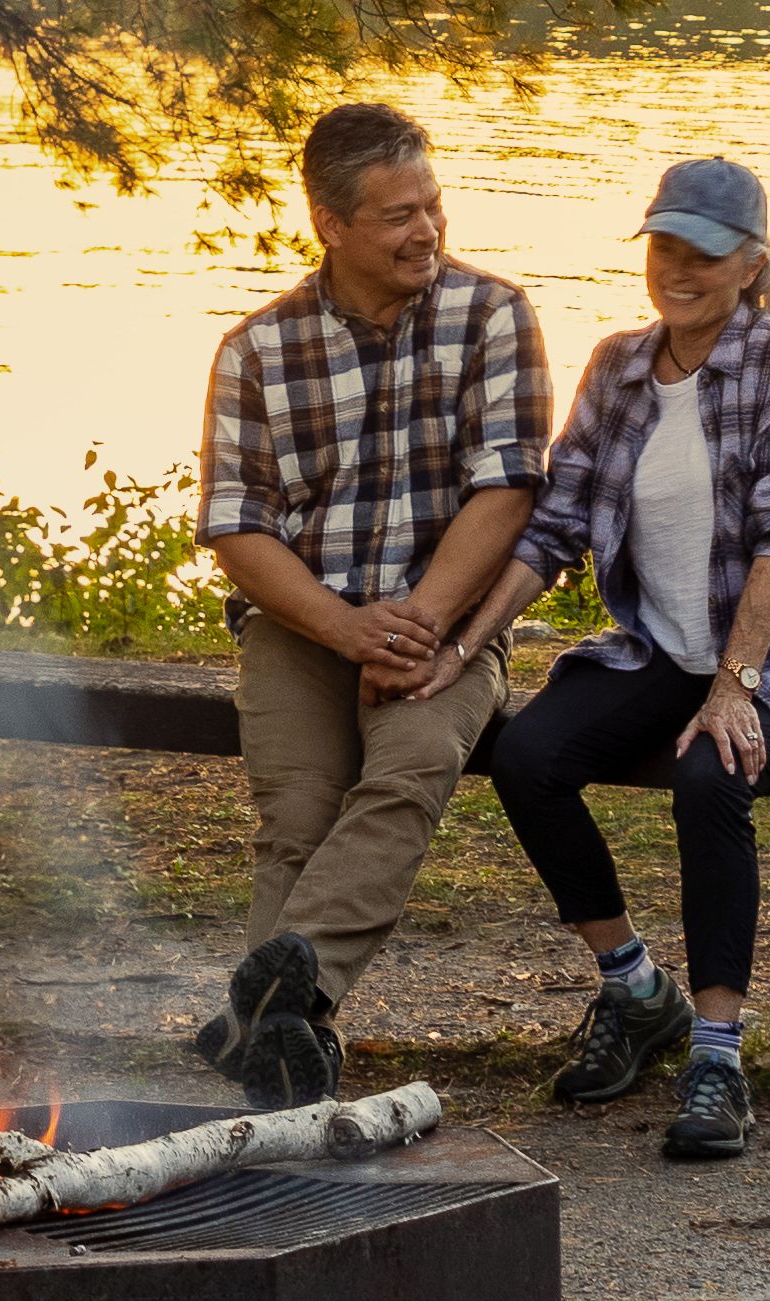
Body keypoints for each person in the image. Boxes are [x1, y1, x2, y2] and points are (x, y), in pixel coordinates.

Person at [448, 155, 770, 1164]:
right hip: (662, 647)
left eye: (703, 251)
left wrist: (734, 685)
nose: (677, 268)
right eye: (664, 246)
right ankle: (637, 989)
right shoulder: (617, 364)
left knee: (709, 771)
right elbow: (552, 529)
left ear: (750, 263)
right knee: (526, 754)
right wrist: (466, 639)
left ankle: (719, 1055)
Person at [188, 102, 551, 1107]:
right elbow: (234, 522)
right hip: (303, 624)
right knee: (296, 817)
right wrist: (342, 625)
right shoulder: (257, 349)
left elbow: (510, 484)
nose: (426, 229)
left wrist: (423, 618)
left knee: (406, 772)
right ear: (330, 223)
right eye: (397, 214)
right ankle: (289, 1046)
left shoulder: (492, 314)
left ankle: (267, 1027)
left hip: (447, 624)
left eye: (432, 203)